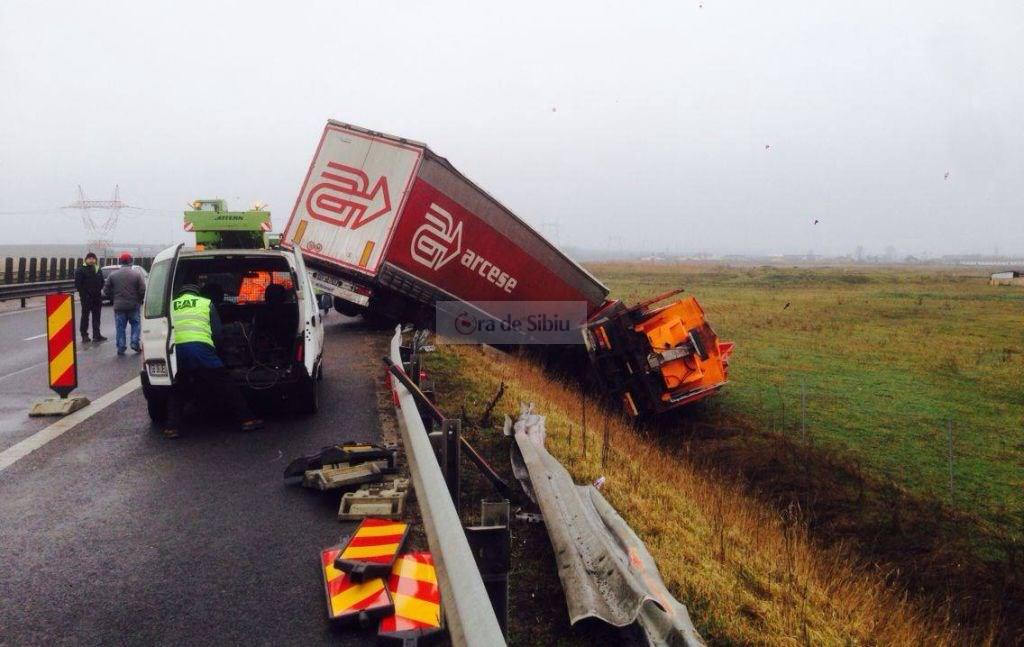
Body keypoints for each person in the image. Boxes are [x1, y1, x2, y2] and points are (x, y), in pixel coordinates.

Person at [164, 283, 263, 438]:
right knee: (226, 384)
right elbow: (217, 333)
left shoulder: (170, 305)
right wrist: (217, 352)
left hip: (176, 352)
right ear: (197, 293)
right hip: (201, 350)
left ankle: (172, 428)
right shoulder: (206, 303)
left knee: (178, 388)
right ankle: (247, 419)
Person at [102, 252, 146, 355]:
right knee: (135, 325)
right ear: (131, 261)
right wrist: (139, 300)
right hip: (133, 305)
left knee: (120, 327)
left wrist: (114, 298)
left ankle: (121, 347)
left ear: (120, 262)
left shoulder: (113, 275)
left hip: (119, 306)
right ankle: (135, 342)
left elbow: (105, 291)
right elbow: (142, 290)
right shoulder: (137, 275)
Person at [73, 252, 107, 342]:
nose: (91, 260)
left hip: (97, 297)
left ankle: (97, 335)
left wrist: (99, 290)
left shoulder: (97, 269)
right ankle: (84, 335)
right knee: (85, 316)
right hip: (86, 298)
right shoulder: (80, 270)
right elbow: (78, 285)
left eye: (93, 258)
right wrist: (84, 294)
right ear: (86, 259)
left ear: (95, 260)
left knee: (97, 317)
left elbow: (102, 282)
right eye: (90, 258)